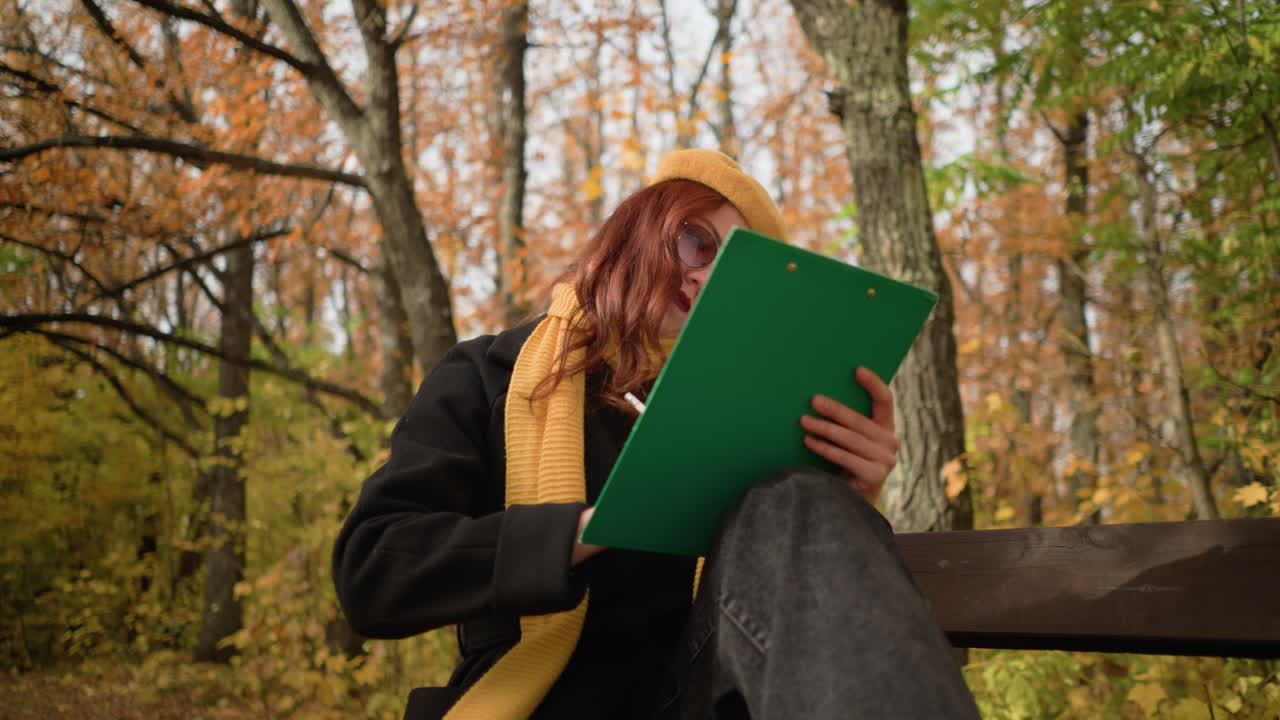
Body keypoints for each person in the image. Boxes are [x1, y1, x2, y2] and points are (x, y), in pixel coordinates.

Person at [332, 149, 982, 720]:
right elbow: (373, 572)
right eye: (697, 242)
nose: (703, 275)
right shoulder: (487, 377)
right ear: (638, 229)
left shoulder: (757, 413)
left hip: (704, 699)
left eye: (734, 271)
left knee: (799, 502)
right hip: (546, 706)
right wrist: (592, 528)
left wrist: (851, 495)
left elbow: (794, 627)